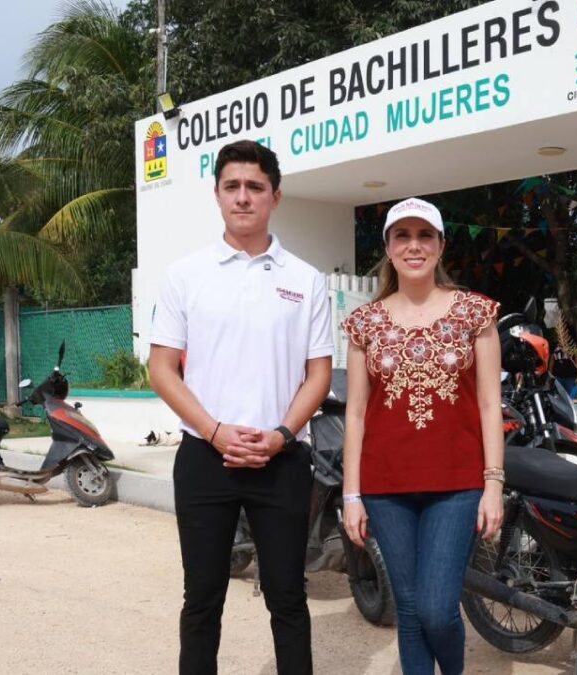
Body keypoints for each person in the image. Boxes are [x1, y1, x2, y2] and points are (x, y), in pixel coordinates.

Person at [147, 139, 333, 675]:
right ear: (217, 195)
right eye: (233, 186)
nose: (243, 197)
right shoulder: (185, 275)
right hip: (207, 457)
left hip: (283, 457)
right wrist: (216, 432)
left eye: (255, 187)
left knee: (288, 599)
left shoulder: (306, 279)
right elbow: (162, 369)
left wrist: (278, 434)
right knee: (202, 599)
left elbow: (317, 375)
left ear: (275, 196)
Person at [341, 197, 505, 675]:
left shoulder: (475, 313)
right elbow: (355, 414)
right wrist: (352, 494)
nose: (414, 246)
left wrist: (494, 483)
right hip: (384, 487)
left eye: (424, 236)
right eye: (403, 236)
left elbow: (490, 403)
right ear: (388, 249)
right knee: (409, 612)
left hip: (457, 484)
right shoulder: (364, 322)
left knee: (437, 607)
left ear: (440, 245)